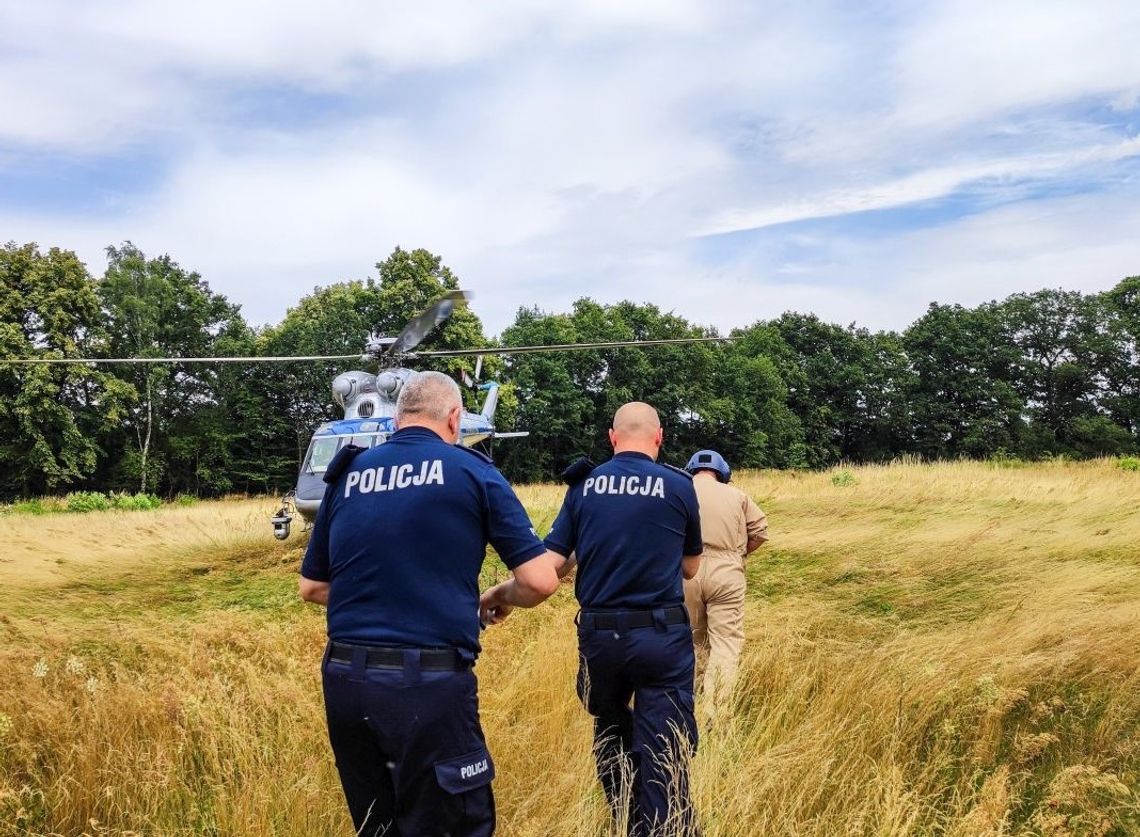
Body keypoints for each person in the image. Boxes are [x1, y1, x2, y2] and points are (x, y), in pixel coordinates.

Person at [299, 371, 564, 837]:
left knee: (378, 825)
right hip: (427, 688)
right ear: (455, 418)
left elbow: (313, 587)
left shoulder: (347, 475)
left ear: (399, 418)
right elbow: (541, 581)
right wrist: (499, 596)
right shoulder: (472, 471)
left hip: (346, 684)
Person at [484, 402, 703, 836]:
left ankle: (623, 816)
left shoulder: (584, 487)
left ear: (612, 438)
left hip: (602, 638)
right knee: (663, 743)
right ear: (659, 438)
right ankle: (666, 828)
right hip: (661, 636)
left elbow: (552, 566)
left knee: (609, 725)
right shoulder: (679, 486)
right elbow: (691, 568)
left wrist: (503, 593)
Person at [682, 450, 768, 719]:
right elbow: (760, 532)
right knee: (725, 643)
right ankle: (715, 714)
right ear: (722, 472)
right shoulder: (738, 495)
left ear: (691, 469)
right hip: (727, 571)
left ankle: (688, 705)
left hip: (686, 571)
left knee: (692, 639)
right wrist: (738, 555)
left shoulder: (680, 490)